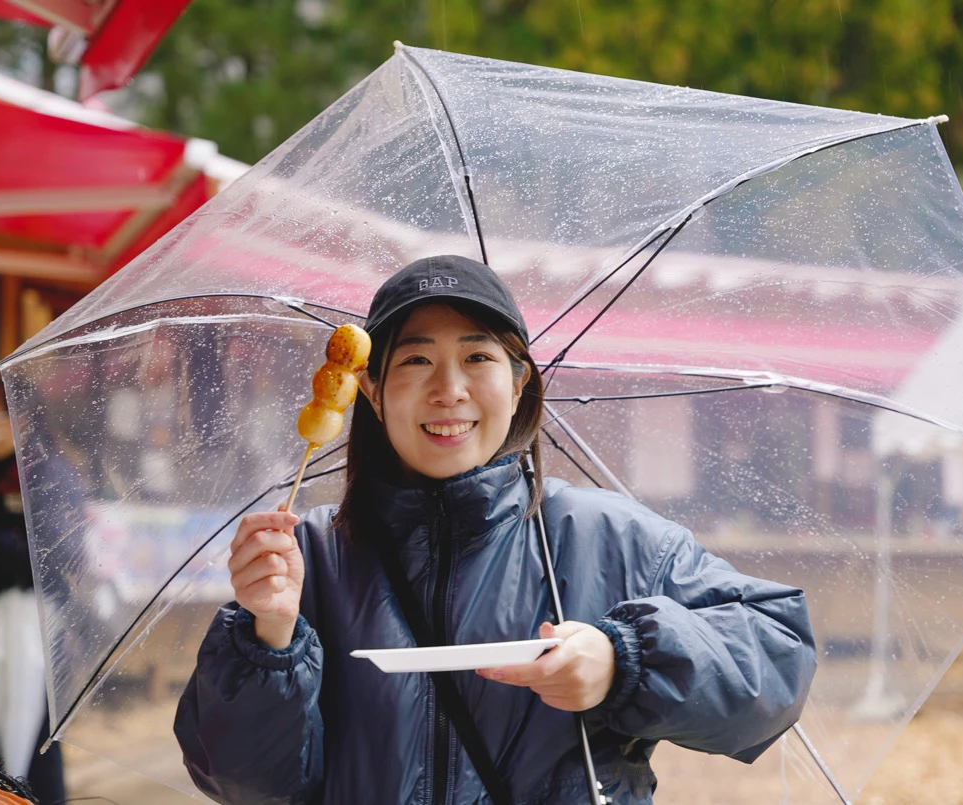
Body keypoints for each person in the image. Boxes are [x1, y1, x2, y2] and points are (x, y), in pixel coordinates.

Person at [174, 254, 816, 804]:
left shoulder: (610, 539)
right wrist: (270, 639)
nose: (449, 390)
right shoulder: (305, 557)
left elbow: (777, 659)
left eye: (478, 356)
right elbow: (246, 785)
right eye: (417, 360)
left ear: (518, 385)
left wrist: (625, 663)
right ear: (369, 392)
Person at [0, 376, 66, 805]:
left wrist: (6, 548)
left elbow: (55, 550)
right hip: (3, 620)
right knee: (4, 732)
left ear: (16, 418)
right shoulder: (0, 469)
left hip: (30, 623)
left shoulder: (41, 470)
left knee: (32, 736)